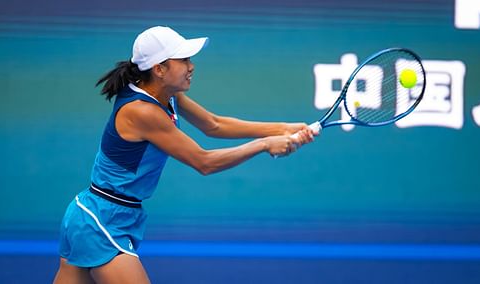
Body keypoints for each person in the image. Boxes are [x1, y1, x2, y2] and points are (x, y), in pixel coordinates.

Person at [53, 26, 317, 284]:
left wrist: (283, 128)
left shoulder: (165, 95)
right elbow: (204, 162)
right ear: (159, 69)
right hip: (100, 219)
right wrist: (263, 145)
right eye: (183, 60)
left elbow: (214, 124)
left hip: (97, 214)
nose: (191, 66)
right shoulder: (143, 111)